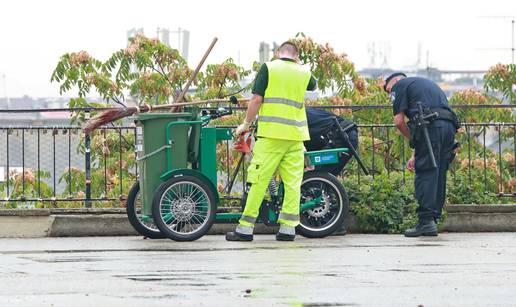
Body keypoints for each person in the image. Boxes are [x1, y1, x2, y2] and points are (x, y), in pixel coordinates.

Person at [226, 41, 317, 242]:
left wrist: (246, 123)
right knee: (293, 183)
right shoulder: (304, 72)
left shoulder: (269, 67)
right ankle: (287, 230)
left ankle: (245, 228)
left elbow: (257, 99)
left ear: (278, 53)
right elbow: (313, 85)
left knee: (259, 180)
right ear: (297, 56)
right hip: (295, 136)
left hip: (271, 135)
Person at [384, 72, 459, 237]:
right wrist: (416, 152)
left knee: (425, 172)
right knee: (438, 172)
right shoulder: (425, 84)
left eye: (388, 89)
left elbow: (398, 121)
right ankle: (432, 219)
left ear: (396, 80)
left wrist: (412, 138)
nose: (389, 93)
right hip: (448, 128)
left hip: (430, 128)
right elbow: (428, 120)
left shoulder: (399, 85)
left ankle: (426, 222)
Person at [304, 106, 358, 176]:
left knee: (315, 177)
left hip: (342, 136)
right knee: (319, 178)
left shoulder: (297, 120)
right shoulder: (300, 112)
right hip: (343, 133)